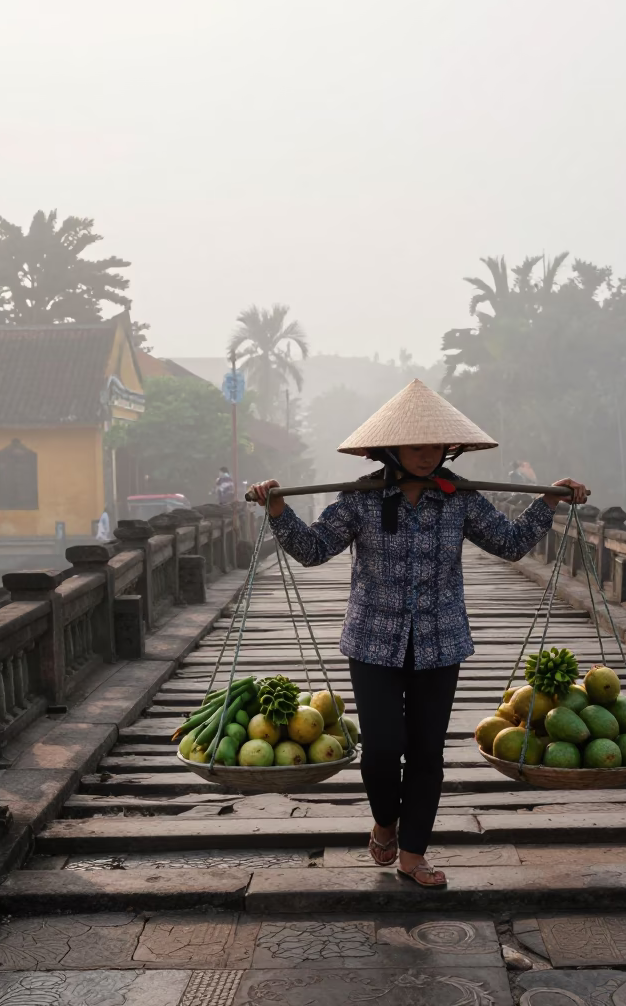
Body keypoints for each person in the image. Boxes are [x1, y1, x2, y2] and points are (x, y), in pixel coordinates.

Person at [250, 380, 588, 889]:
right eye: (416, 446)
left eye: (436, 446)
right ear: (392, 449)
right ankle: (385, 819)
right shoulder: (361, 500)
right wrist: (278, 511)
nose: (428, 455)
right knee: (384, 746)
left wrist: (549, 501)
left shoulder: (460, 500)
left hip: (440, 641)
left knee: (428, 752)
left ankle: (413, 852)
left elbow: (511, 543)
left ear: (449, 448)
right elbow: (314, 549)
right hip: (372, 642)